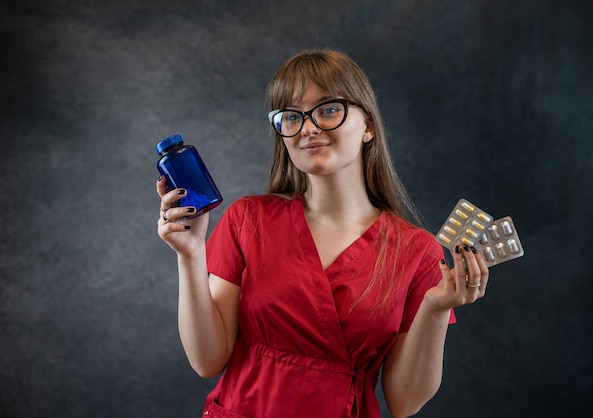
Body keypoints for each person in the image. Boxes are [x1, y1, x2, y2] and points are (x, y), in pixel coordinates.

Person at [156, 48, 489, 418]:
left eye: (328, 109)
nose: (309, 128)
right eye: (291, 116)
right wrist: (190, 255)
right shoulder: (247, 220)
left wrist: (436, 308)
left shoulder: (415, 251)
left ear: (368, 126)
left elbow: (404, 402)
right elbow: (207, 361)